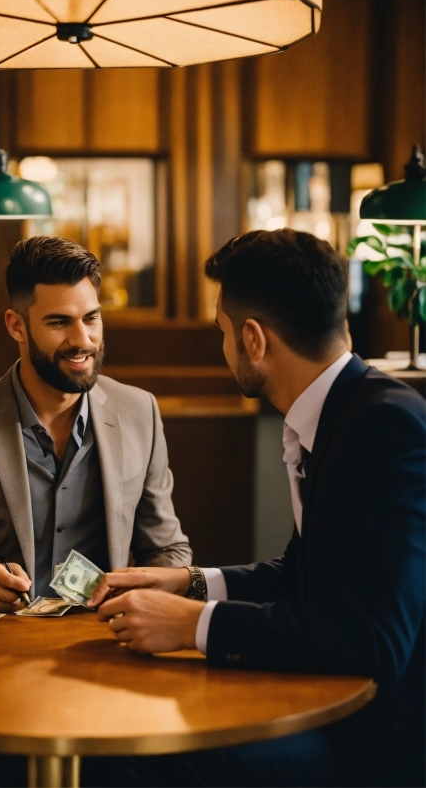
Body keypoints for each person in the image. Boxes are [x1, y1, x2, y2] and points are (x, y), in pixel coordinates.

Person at [85, 229, 425, 788]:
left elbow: (375, 638)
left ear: (253, 338)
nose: (222, 348)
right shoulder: (346, 412)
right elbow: (301, 575)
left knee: (122, 755)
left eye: (221, 332)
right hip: (332, 702)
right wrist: (188, 583)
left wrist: (195, 625)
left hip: (374, 738)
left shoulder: (386, 427)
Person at [0, 237, 192, 611]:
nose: (82, 340)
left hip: (104, 640)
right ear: (16, 326)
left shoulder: (139, 411)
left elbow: (167, 549)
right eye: (59, 322)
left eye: (91, 318)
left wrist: (146, 600)